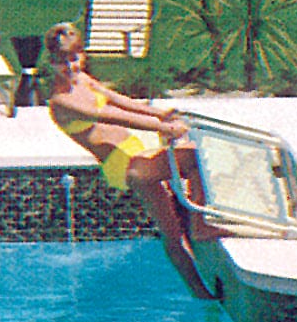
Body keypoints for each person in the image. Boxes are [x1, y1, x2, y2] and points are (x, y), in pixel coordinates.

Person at [42, 20, 218, 300]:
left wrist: (159, 114)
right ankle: (199, 281)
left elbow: (122, 102)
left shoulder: (84, 81)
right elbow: (111, 116)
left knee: (183, 195)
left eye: (74, 57)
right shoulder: (61, 101)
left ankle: (200, 235)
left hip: (136, 149)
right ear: (50, 63)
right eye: (62, 61)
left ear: (83, 55)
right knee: (173, 222)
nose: (71, 66)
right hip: (123, 164)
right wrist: (161, 128)